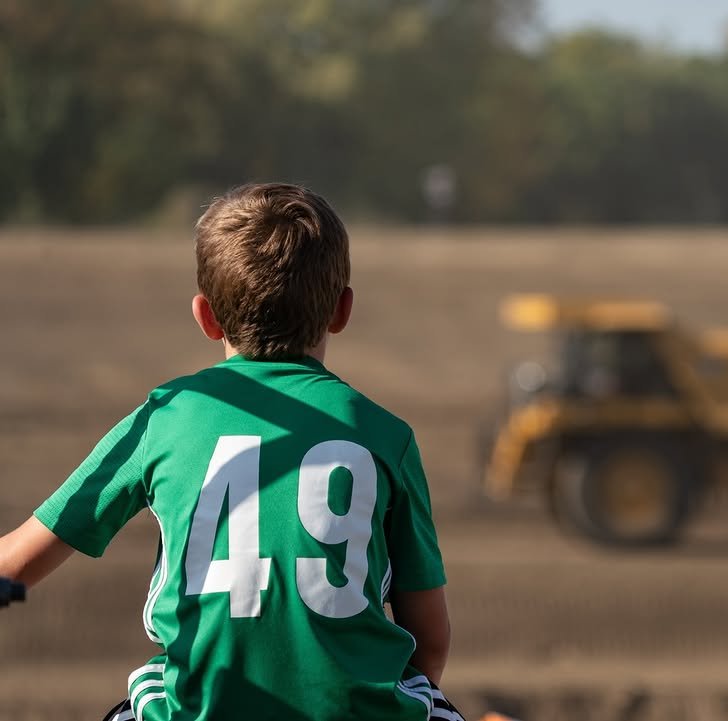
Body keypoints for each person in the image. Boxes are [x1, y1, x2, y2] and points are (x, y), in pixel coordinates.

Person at [0, 183, 463, 721]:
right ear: (342, 310)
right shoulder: (387, 435)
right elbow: (429, 642)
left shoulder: (167, 415)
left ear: (206, 316)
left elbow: (14, 563)